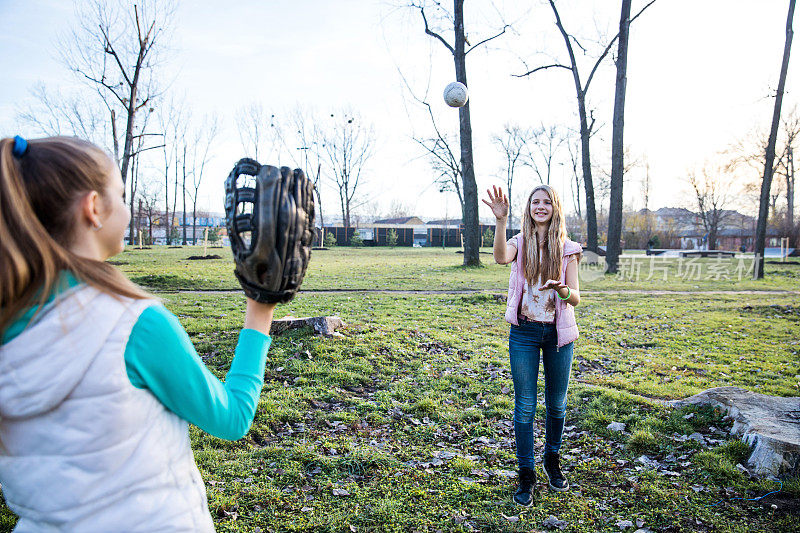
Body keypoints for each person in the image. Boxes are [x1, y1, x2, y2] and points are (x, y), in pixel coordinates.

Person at [0, 135, 276, 531]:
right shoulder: (135, 324)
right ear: (93, 208)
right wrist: (260, 311)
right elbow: (231, 417)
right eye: (123, 195)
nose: (129, 210)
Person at [482, 184, 582, 507]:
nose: (540, 207)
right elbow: (499, 258)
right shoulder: (520, 243)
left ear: (555, 208)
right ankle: (527, 473)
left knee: (557, 404)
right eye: (535, 202)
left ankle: (552, 459)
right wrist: (500, 221)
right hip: (524, 333)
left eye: (546, 202)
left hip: (557, 335)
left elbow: (576, 298)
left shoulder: (568, 248)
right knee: (525, 405)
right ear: (528, 208)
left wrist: (563, 289)